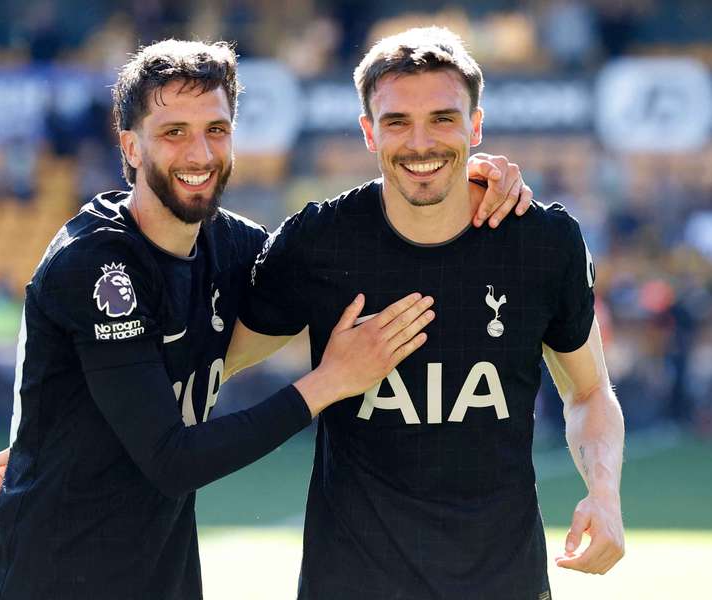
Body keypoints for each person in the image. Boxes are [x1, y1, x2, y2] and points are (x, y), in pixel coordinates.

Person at [0, 38, 531, 600]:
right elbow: (170, 459)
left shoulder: (236, 247)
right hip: (41, 581)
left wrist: (461, 177)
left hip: (159, 579)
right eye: (173, 133)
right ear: (130, 147)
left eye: (216, 130)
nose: (199, 154)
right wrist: (328, 382)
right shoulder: (98, 265)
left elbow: (368, 242)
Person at [233, 27, 625, 599]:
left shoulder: (541, 244)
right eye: (396, 122)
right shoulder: (320, 243)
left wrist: (605, 495)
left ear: (477, 126)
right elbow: (213, 362)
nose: (421, 143)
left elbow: (590, 393)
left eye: (443, 118)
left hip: (503, 584)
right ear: (369, 132)